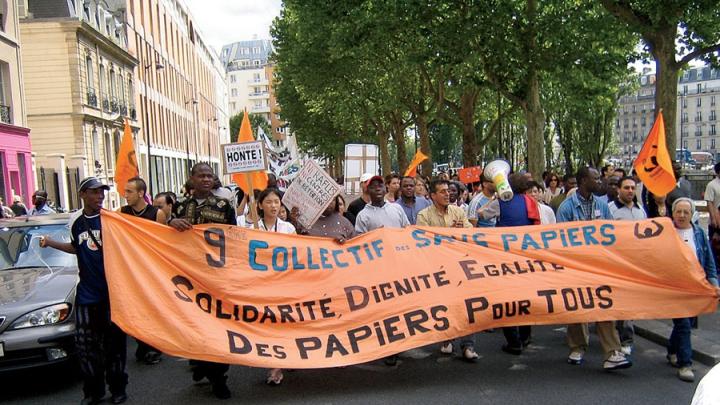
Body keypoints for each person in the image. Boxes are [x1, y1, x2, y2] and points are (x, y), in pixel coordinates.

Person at [40, 177, 128, 405]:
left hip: (113, 295)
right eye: (94, 192)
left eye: (102, 192)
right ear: (83, 195)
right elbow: (75, 247)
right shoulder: (76, 221)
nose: (100, 196)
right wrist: (50, 243)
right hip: (88, 295)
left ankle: (118, 388)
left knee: (115, 346)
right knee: (86, 347)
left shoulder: (111, 219)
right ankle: (93, 391)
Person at [168, 163, 236, 399]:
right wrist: (170, 223)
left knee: (217, 326)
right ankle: (201, 363)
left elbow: (235, 239)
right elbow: (164, 237)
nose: (206, 179)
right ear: (192, 179)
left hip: (215, 277)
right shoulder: (180, 206)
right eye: (202, 176)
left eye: (210, 176)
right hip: (188, 277)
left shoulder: (224, 206)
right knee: (194, 325)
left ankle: (219, 377)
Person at [557, 167, 632, 371]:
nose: (600, 181)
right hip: (576, 265)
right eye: (595, 178)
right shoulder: (566, 208)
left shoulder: (602, 205)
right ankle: (578, 346)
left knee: (604, 304)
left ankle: (612, 352)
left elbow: (609, 234)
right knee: (577, 305)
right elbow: (559, 239)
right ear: (583, 181)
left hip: (599, 265)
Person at [416, 179, 478, 361]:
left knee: (467, 305)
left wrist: (461, 233)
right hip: (437, 270)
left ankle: (468, 345)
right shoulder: (424, 215)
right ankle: (446, 339)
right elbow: (422, 241)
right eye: (442, 192)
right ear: (432, 196)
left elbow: (471, 233)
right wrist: (448, 233)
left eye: (448, 191)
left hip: (460, 266)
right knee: (445, 306)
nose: (447, 194)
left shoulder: (458, 212)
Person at [354, 175, 409, 366]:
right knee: (384, 310)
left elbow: (407, 234)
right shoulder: (363, 215)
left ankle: (401, 341)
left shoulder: (397, 209)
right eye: (373, 186)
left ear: (385, 189)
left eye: (380, 185)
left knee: (399, 307)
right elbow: (359, 244)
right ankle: (389, 347)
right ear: (367, 191)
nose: (377, 188)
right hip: (377, 270)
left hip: (399, 267)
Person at [244, 187, 296, 385]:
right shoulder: (251, 230)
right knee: (268, 325)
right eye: (269, 202)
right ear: (259, 205)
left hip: (284, 283)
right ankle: (274, 363)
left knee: (284, 323)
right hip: (261, 285)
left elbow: (296, 255)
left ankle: (278, 365)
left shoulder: (288, 229)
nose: (274, 206)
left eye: (277, 202)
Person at [669, 198, 719, 382]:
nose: (682, 215)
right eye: (678, 211)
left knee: (685, 324)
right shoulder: (665, 232)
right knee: (683, 324)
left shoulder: (698, 233)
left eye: (686, 212)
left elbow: (708, 261)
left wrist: (714, 283)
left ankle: (672, 350)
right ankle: (685, 364)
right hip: (673, 288)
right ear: (673, 213)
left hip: (694, 287)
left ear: (692, 215)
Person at [119, 177, 166, 365]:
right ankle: (142, 343)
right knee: (136, 310)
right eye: (125, 191)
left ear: (140, 193)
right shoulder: (121, 213)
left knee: (152, 308)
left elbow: (163, 242)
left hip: (151, 269)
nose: (125, 195)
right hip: (131, 269)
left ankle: (153, 347)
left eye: (129, 191)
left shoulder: (157, 214)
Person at [495, 174, 540, 355]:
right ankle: (525, 336)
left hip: (504, 259)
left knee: (507, 299)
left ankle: (514, 341)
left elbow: (480, 214)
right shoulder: (531, 202)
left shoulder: (499, 203)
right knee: (525, 297)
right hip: (526, 258)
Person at [609, 176, 646, 355]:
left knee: (629, 304)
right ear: (619, 189)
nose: (630, 191)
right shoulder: (610, 210)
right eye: (626, 188)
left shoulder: (641, 211)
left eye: (633, 188)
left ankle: (626, 338)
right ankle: (616, 336)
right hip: (615, 264)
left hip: (635, 265)